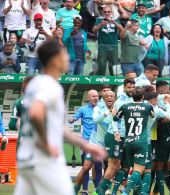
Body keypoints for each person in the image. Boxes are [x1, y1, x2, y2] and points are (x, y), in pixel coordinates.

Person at [14, 40, 106, 195]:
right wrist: (46, 144)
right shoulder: (51, 85)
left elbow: (55, 126)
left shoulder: (36, 83)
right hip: (44, 159)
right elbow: (36, 112)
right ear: (55, 59)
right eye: (64, 54)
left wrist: (86, 146)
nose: (67, 58)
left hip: (26, 159)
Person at [74, 90, 116, 195]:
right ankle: (74, 190)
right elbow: (96, 120)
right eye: (107, 96)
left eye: (112, 96)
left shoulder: (117, 110)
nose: (110, 97)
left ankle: (99, 191)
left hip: (108, 144)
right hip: (95, 143)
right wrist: (107, 113)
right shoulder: (98, 108)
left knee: (109, 169)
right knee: (86, 167)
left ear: (114, 99)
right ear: (104, 98)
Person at [115, 86, 154, 195]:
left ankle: (140, 192)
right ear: (143, 96)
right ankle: (125, 192)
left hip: (129, 141)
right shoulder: (148, 106)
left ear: (132, 95)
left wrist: (114, 113)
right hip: (141, 142)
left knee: (133, 169)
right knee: (138, 170)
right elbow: (153, 115)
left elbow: (115, 118)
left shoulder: (125, 106)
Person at [68, 90, 101, 194]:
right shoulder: (83, 109)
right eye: (93, 96)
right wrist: (71, 119)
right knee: (86, 167)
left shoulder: (101, 109)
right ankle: (85, 189)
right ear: (88, 98)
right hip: (86, 142)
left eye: (97, 96)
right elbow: (74, 118)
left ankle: (97, 189)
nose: (96, 98)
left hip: (98, 142)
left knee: (98, 166)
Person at [110, 78, 136, 194]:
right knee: (115, 165)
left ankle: (118, 191)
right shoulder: (120, 101)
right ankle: (104, 189)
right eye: (129, 87)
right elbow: (114, 119)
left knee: (126, 166)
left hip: (131, 137)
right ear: (124, 88)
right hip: (120, 136)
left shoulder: (137, 99)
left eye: (133, 87)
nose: (131, 89)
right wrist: (116, 132)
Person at [93, 5, 123, 76]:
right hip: (102, 46)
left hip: (113, 46)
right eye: (105, 12)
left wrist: (114, 22)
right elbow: (93, 30)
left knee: (114, 66)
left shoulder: (115, 19)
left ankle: (114, 84)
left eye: (108, 12)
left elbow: (122, 29)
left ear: (111, 12)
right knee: (101, 65)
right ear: (103, 12)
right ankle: (100, 83)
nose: (107, 13)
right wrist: (100, 25)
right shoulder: (99, 19)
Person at [8, 76, 33, 149]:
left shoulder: (18, 102)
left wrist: (17, 128)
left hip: (23, 138)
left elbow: (11, 125)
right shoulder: (43, 101)